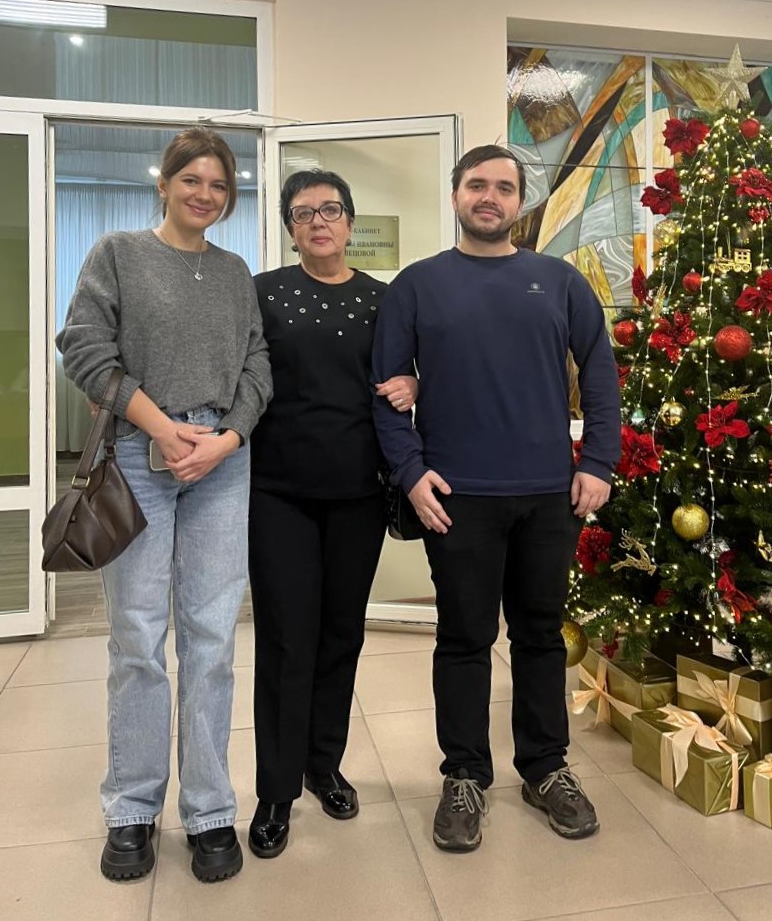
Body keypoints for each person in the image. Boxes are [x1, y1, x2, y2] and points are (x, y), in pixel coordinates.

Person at [371, 144, 621, 852]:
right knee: (464, 638)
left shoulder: (559, 282)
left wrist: (598, 460)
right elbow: (385, 391)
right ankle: (464, 774)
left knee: (540, 636)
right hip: (457, 497)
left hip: (549, 495)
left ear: (520, 201)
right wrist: (410, 472)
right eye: (476, 184)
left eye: (503, 187)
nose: (489, 197)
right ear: (455, 194)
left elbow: (600, 374)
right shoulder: (416, 286)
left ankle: (545, 767)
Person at [57, 129, 272, 884]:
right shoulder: (117, 254)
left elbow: (257, 364)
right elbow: (83, 347)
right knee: (138, 638)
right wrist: (159, 426)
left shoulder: (235, 271)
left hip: (221, 463)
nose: (205, 194)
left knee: (212, 638)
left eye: (218, 184)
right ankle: (133, 807)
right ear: (164, 183)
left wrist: (227, 438)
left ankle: (209, 809)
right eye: (192, 179)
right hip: (137, 461)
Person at [246, 169, 416, 859]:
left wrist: (414, 382)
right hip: (277, 493)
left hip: (358, 495)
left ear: (349, 221)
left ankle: (324, 764)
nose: (318, 221)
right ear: (290, 227)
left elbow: (409, 368)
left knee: (342, 635)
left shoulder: (384, 299)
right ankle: (275, 790)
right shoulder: (261, 293)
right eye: (303, 212)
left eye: (330, 209)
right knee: (287, 640)